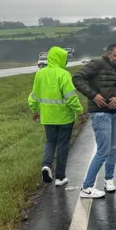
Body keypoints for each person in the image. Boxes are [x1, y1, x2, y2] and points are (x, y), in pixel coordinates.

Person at [72, 45, 116, 199]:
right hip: (100, 113)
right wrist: (93, 95)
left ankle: (109, 179)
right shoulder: (96, 64)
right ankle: (87, 188)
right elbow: (77, 78)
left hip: (114, 113)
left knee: (113, 149)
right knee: (103, 151)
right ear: (108, 54)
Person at [28, 46, 84, 187]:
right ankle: (60, 177)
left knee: (50, 142)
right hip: (65, 117)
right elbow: (70, 96)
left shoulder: (40, 74)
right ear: (60, 59)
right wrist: (79, 110)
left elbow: (34, 95)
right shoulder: (64, 74)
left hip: (47, 117)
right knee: (63, 145)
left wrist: (34, 110)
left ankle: (46, 165)